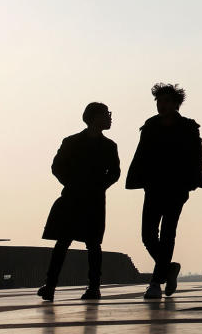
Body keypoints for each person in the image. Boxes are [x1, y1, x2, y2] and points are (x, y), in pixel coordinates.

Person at [126, 83, 202, 299]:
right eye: (159, 101)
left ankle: (155, 283)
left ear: (175, 103)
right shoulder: (151, 125)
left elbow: (196, 157)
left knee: (168, 233)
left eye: (166, 101)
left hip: (177, 187)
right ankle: (169, 269)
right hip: (153, 186)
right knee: (148, 234)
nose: (161, 105)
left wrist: (190, 181)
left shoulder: (188, 127)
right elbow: (141, 155)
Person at [38, 103, 120, 301]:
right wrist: (74, 184)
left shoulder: (109, 146)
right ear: (93, 118)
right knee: (66, 243)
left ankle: (92, 287)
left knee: (90, 244)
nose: (109, 118)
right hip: (74, 198)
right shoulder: (72, 142)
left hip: (92, 199)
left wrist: (99, 186)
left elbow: (115, 173)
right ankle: (51, 286)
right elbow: (57, 167)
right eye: (105, 114)